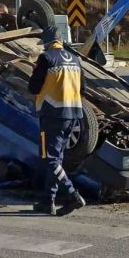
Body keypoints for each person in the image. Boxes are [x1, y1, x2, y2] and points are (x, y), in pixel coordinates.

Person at [28, 26, 86, 216]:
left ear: (46, 41)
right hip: (73, 116)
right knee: (57, 159)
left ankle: (72, 195)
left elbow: (33, 87)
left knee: (50, 160)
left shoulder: (46, 58)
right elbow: (82, 89)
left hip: (52, 115)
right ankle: (48, 201)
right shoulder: (76, 60)